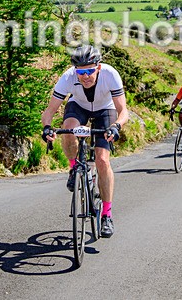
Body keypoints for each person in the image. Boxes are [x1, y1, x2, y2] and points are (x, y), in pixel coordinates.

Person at [41, 45, 128, 239]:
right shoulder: (67, 77)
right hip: (78, 106)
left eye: (89, 70)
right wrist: (47, 128)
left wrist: (116, 126)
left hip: (105, 110)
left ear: (98, 67)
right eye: (81, 72)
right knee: (68, 129)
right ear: (75, 71)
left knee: (102, 160)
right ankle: (74, 168)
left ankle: (106, 214)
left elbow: (123, 111)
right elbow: (49, 111)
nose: (85, 76)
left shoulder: (110, 74)